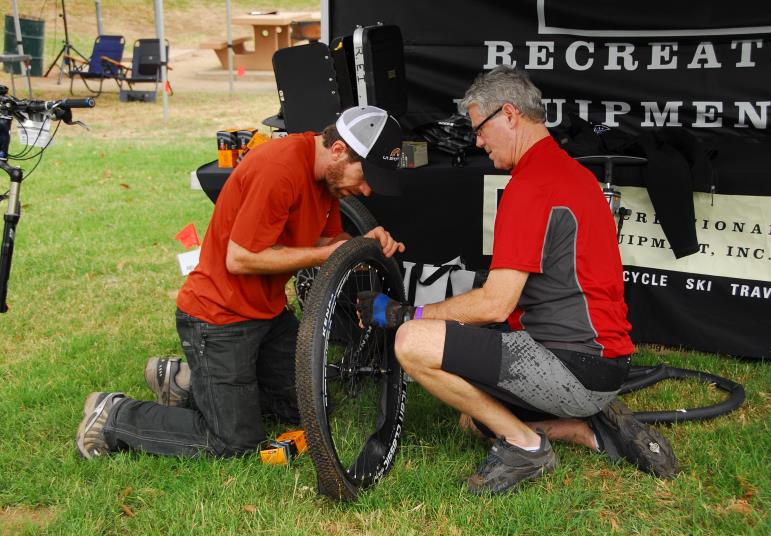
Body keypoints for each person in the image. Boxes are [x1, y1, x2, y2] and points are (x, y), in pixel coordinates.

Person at [357, 66, 679, 495]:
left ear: (509, 114)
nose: (477, 141)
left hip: (572, 361)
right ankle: (587, 430)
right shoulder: (569, 171)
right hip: (598, 359)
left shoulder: (532, 185)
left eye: (480, 128)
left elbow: (495, 304)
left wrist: (406, 314)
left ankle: (527, 446)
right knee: (474, 418)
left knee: (412, 343)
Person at [76, 105, 406, 459]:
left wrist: (358, 245)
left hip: (268, 314)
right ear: (339, 150)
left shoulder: (327, 178)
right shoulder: (279, 170)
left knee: (313, 408)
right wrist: (327, 256)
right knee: (235, 444)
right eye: (365, 175)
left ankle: (185, 383)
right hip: (218, 317)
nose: (367, 190)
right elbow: (242, 258)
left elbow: (326, 241)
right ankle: (114, 416)